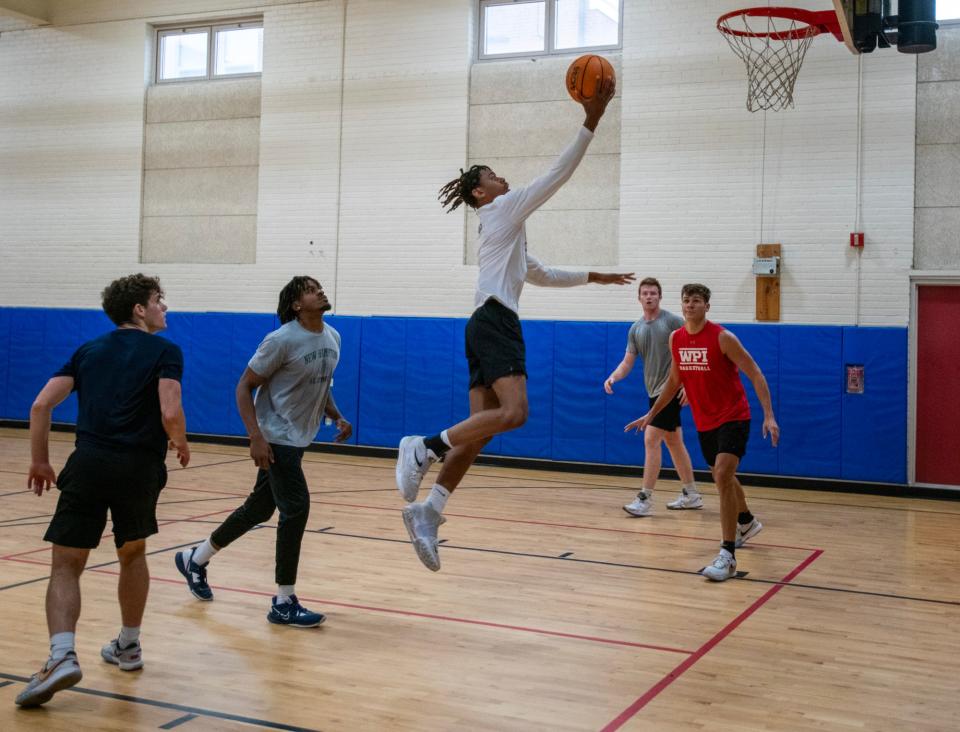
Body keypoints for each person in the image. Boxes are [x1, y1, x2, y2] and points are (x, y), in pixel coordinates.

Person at [395, 74, 635, 572]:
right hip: (496, 323)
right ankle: (423, 446)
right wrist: (592, 119)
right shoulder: (503, 208)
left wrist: (595, 276)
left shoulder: (503, 231)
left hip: (482, 322)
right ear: (483, 193)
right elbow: (556, 175)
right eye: (495, 175)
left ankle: (428, 511)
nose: (504, 179)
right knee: (516, 413)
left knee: (479, 432)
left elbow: (539, 272)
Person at [15, 274, 189, 707]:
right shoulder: (166, 351)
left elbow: (40, 405)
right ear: (139, 310)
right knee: (132, 553)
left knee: (66, 564)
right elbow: (170, 409)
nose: (164, 308)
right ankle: (128, 646)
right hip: (139, 468)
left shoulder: (88, 350)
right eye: (158, 301)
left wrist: (40, 460)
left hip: (89, 463)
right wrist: (181, 440)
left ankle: (61, 656)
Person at [174, 276, 351, 627]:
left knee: (259, 508)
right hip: (276, 438)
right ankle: (283, 601)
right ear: (297, 305)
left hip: (298, 439)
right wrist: (255, 436)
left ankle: (196, 558)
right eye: (311, 289)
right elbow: (245, 386)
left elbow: (318, 385)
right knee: (296, 508)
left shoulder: (333, 338)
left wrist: (337, 415)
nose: (321, 291)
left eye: (320, 287)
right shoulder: (281, 339)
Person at [625, 283, 778, 582]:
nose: (690, 305)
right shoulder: (676, 339)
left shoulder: (723, 338)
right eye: (686, 301)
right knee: (725, 477)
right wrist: (651, 413)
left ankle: (727, 555)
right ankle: (746, 521)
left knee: (721, 475)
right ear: (681, 306)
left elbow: (755, 372)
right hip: (705, 421)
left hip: (734, 416)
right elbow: (672, 382)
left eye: (696, 301)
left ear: (707, 306)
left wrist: (769, 415)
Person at [605, 277, 702, 516]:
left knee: (650, 439)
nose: (649, 296)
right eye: (645, 293)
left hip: (671, 390)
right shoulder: (636, 328)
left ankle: (644, 498)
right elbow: (628, 362)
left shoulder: (673, 322)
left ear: (660, 297)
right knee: (673, 441)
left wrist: (690, 385)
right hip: (653, 392)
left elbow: (692, 350)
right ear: (639, 298)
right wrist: (614, 377)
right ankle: (691, 494)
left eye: (653, 293)